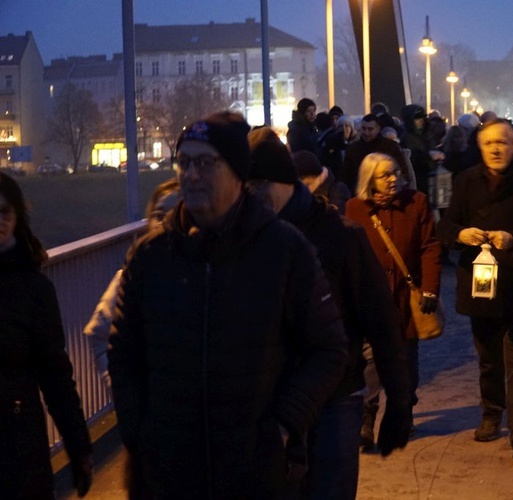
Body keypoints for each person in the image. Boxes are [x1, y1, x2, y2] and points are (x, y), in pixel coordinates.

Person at [108, 111, 349, 498]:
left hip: (256, 474)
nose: (190, 174)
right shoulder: (150, 256)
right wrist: (139, 433)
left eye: (205, 163)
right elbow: (123, 353)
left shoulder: (285, 250)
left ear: (237, 172)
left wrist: (282, 426)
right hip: (167, 475)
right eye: (184, 162)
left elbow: (329, 349)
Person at [247, 128, 412, 499]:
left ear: (283, 182)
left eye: (257, 185)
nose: (249, 196)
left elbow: (381, 320)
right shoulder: (248, 236)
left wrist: (399, 401)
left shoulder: (340, 235)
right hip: (273, 401)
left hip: (336, 398)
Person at [436, 119, 513, 460]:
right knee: (489, 359)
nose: (495, 149)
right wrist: (460, 235)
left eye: (503, 143)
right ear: (479, 146)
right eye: (488, 143)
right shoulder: (465, 181)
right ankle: (491, 414)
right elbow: (445, 225)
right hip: (481, 287)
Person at [0, 172, 93, 498]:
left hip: (17, 448)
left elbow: (54, 374)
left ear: (17, 218)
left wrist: (78, 446)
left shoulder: (33, 289)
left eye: (4, 212)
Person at [345, 152, 442, 448]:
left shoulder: (417, 202)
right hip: (370, 301)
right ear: (369, 180)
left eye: (395, 173)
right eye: (385, 175)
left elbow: (429, 247)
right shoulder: (355, 208)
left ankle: (403, 412)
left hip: (405, 300)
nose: (393, 179)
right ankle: (367, 418)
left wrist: (429, 289)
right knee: (371, 361)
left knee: (405, 364)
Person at [85, 178, 180, 391]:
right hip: (152, 414)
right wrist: (122, 392)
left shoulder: (208, 271)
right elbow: (99, 333)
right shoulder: (132, 276)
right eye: (158, 214)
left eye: (176, 212)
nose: (166, 221)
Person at [341, 113, 412, 192]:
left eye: (370, 129)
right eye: (364, 129)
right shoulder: (353, 149)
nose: (366, 132)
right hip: (361, 194)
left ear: (378, 129)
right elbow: (345, 175)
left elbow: (403, 172)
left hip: (387, 193)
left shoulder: (391, 147)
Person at [399, 104, 445, 196]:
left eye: (422, 118)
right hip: (418, 179)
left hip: (432, 178)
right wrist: (428, 155)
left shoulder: (428, 133)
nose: (420, 121)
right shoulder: (407, 137)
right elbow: (409, 158)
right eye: (417, 118)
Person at [293, 149, 351, 214]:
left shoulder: (338, 190)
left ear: (313, 176)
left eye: (301, 178)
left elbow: (335, 217)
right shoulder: (299, 194)